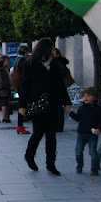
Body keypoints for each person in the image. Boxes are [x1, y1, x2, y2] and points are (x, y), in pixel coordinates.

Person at [19, 38, 72, 176]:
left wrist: (67, 102)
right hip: (37, 103)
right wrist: (22, 105)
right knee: (38, 133)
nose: (53, 50)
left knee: (51, 135)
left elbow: (60, 85)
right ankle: (29, 156)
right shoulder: (30, 64)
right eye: (51, 48)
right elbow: (24, 85)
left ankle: (51, 164)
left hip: (53, 104)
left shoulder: (55, 64)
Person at [66, 87, 101, 175]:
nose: (86, 98)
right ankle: (79, 165)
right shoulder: (82, 108)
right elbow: (78, 118)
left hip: (92, 134)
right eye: (84, 96)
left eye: (88, 96)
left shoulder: (98, 109)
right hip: (81, 133)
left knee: (92, 152)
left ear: (94, 98)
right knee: (78, 150)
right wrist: (70, 112)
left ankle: (94, 168)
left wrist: (99, 129)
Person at [52, 48, 72, 132]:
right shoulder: (58, 63)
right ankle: (58, 125)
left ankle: (58, 126)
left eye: (53, 54)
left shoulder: (57, 63)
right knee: (58, 108)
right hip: (58, 88)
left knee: (57, 108)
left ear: (57, 54)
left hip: (57, 88)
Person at [12, 45, 30, 134]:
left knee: (21, 104)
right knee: (22, 105)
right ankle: (20, 125)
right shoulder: (22, 61)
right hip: (23, 85)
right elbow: (25, 74)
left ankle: (20, 125)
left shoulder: (16, 60)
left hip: (19, 85)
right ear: (25, 52)